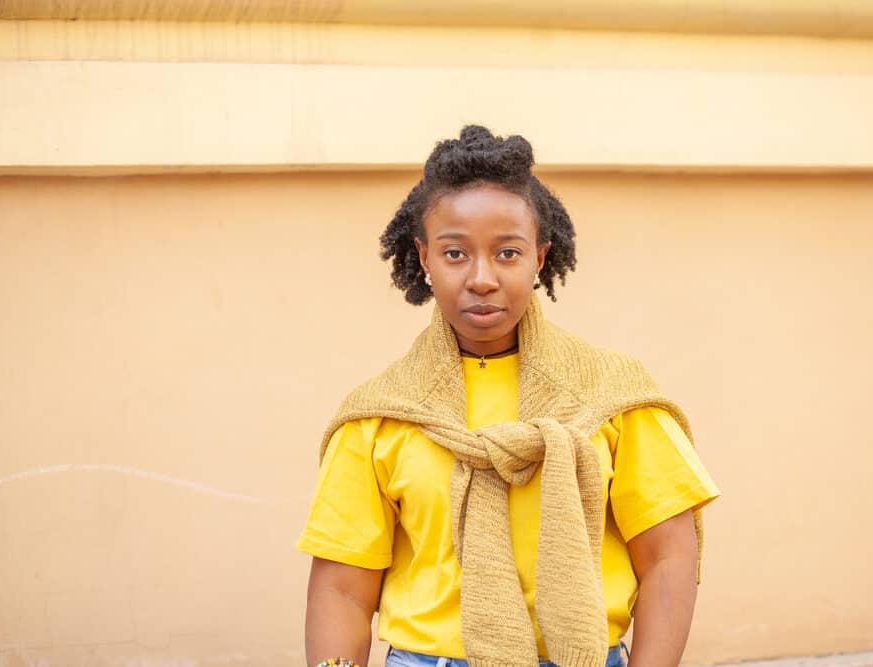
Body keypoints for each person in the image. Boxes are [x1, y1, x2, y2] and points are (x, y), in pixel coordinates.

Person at [296, 125, 720, 667]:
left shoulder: (612, 395)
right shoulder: (379, 415)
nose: (481, 278)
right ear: (424, 257)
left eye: (507, 253)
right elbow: (342, 592)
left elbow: (669, 558)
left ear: (539, 257)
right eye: (454, 253)